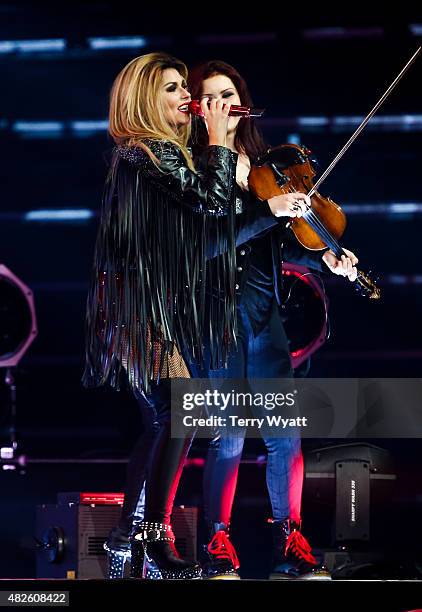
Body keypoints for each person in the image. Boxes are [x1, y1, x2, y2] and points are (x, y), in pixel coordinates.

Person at [82, 52, 313, 580]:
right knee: (183, 420)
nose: (186, 98)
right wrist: (217, 145)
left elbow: (220, 227)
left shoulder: (168, 156)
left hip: (163, 310)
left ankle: (135, 537)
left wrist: (302, 236)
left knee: (172, 421)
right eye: (171, 89)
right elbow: (212, 215)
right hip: (145, 310)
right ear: (144, 99)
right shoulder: (149, 155)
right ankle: (148, 536)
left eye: (182, 86)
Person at [188, 60, 359, 580]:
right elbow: (213, 239)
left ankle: (291, 540)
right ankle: (217, 543)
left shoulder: (261, 165)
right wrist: (271, 211)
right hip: (216, 317)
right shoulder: (195, 168)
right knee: (230, 436)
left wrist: (323, 256)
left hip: (265, 318)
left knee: (285, 435)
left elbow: (277, 242)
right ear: (199, 109)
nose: (226, 104)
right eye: (214, 96)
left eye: (232, 94)